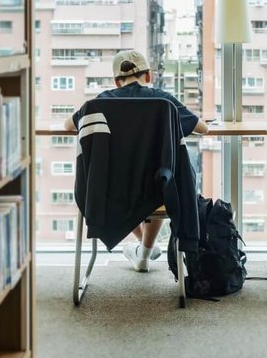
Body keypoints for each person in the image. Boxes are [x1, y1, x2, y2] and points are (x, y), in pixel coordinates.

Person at [65, 50, 208, 272]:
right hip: (157, 187)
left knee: (134, 179)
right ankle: (145, 252)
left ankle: (143, 251)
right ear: (148, 76)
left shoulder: (100, 102)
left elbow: (69, 125)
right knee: (161, 174)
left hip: (106, 189)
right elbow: (203, 128)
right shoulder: (164, 102)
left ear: (116, 81)